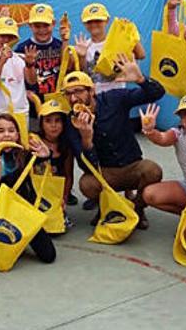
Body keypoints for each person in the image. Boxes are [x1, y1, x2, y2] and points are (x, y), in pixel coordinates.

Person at [61, 54, 165, 229]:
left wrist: (140, 79)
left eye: (78, 91)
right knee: (86, 185)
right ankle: (106, 207)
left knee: (153, 170)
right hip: (105, 173)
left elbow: (157, 93)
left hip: (132, 166)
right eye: (68, 94)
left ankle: (138, 208)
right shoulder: (71, 122)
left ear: (91, 91)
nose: (73, 99)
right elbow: (87, 168)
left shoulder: (114, 98)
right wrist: (87, 139)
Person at [0, 113, 56, 263]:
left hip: (23, 211)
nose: (6, 135)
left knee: (48, 255)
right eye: (1, 131)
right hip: (0, 212)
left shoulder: (24, 155)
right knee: (3, 258)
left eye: (11, 130)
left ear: (18, 134)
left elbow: (43, 159)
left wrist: (46, 154)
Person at [140, 95, 186, 214]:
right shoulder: (178, 134)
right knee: (149, 194)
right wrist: (150, 131)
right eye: (183, 114)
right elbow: (162, 138)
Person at [75, 1, 147, 94]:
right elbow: (83, 75)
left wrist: (128, 32)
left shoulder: (118, 42)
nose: (94, 24)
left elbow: (141, 55)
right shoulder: (83, 46)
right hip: (95, 98)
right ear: (84, 24)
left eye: (98, 20)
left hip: (118, 96)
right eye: (89, 21)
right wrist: (82, 56)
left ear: (107, 20)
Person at [35, 99, 76, 226]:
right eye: (48, 121)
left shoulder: (66, 146)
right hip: (36, 191)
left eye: (58, 121)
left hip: (55, 194)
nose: (54, 125)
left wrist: (64, 198)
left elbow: (68, 176)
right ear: (41, 124)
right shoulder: (34, 141)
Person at [15, 3, 62, 110]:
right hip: (32, 107)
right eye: (37, 26)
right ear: (30, 25)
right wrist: (29, 64)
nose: (42, 30)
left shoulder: (60, 46)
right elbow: (28, 82)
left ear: (53, 24)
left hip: (58, 106)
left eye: (46, 25)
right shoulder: (22, 49)